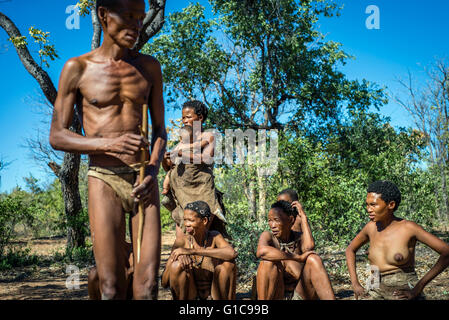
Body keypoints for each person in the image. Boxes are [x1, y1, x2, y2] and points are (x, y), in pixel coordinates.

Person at [49, 0, 166, 299]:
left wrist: (152, 169)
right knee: (111, 286)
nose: (137, 25)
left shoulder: (149, 67)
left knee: (148, 287)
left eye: (140, 18)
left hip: (144, 180)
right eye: (128, 16)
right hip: (103, 178)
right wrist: (108, 143)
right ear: (103, 15)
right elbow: (57, 136)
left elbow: (160, 132)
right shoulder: (77, 68)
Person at [346, 180, 449, 300]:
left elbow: (446, 252)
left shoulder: (408, 228)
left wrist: (417, 288)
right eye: (367, 205)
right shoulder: (370, 227)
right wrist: (355, 284)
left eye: (373, 205)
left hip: (402, 288)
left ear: (391, 205)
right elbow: (350, 250)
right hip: (373, 285)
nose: (369, 209)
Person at [161, 100, 228, 239]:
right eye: (183, 117)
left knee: (203, 235)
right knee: (183, 239)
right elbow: (168, 167)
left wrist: (181, 154)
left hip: (201, 191)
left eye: (188, 117)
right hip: (182, 195)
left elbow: (205, 158)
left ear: (200, 118)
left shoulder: (208, 136)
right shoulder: (182, 140)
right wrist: (164, 158)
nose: (184, 120)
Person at [256, 200, 336, 300]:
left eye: (276, 220)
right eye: (270, 220)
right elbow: (261, 251)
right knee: (267, 263)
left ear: (291, 220)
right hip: (277, 296)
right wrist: (297, 257)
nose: (272, 225)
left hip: (299, 294)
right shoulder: (268, 236)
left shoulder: (298, 238)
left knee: (313, 259)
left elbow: (309, 248)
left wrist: (303, 218)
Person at [161, 201, 237, 300]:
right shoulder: (181, 242)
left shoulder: (214, 236)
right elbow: (164, 283)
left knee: (229, 264)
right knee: (176, 265)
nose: (186, 224)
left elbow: (232, 253)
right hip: (191, 295)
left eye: (191, 220)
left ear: (204, 221)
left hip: (214, 294)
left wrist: (192, 251)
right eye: (185, 220)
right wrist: (174, 258)